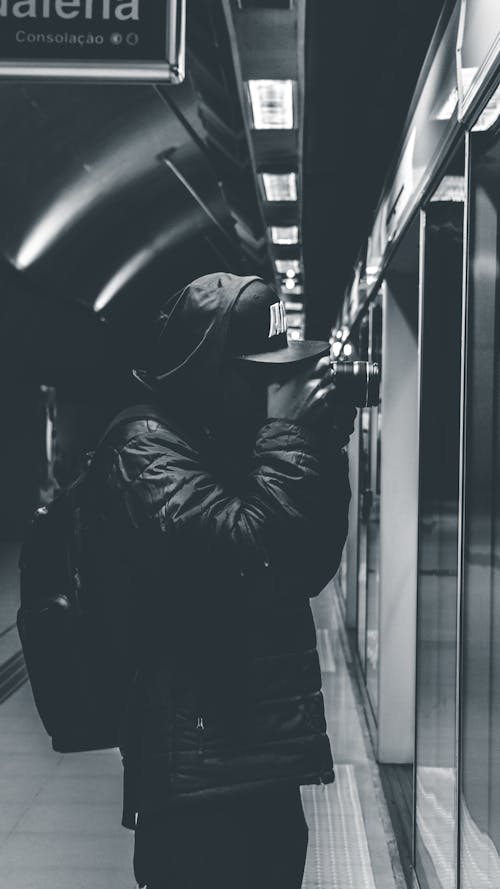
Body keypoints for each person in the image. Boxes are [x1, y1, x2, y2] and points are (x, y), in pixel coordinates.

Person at [92, 273, 355, 889]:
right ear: (209, 372)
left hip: (257, 760)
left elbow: (303, 570)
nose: (274, 387)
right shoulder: (145, 454)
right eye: (259, 373)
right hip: (196, 781)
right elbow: (246, 556)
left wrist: (319, 447)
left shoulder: (233, 446)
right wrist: (288, 439)